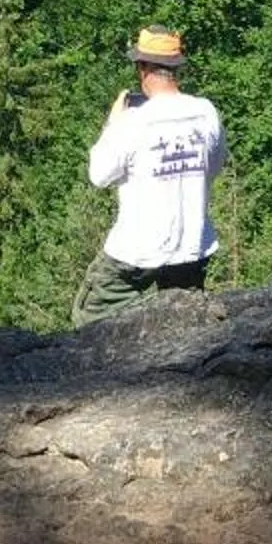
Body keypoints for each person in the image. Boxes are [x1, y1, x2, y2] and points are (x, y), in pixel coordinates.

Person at [74, 25, 227, 325]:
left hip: (137, 250)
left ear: (142, 68)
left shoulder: (133, 121)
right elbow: (215, 167)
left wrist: (112, 122)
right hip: (192, 244)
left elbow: (99, 175)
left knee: (91, 315)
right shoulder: (206, 112)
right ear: (175, 68)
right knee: (185, 321)